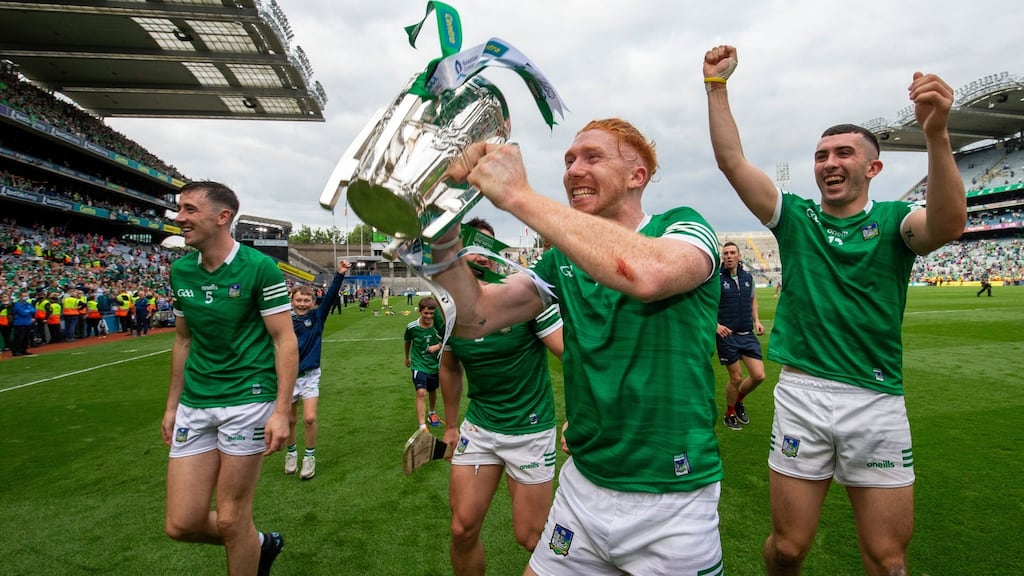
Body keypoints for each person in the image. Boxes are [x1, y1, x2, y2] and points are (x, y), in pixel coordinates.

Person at [704, 45, 966, 575]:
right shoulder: (796, 218)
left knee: (888, 560)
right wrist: (716, 86)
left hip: (877, 402)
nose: (829, 163)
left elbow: (947, 226)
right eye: (822, 155)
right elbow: (732, 162)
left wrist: (937, 135)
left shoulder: (896, 221)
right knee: (787, 549)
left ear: (873, 165)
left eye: (843, 153)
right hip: (805, 395)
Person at [434, 118, 724, 575]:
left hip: (672, 499)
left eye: (592, 157)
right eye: (569, 160)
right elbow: (477, 318)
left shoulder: (682, 226)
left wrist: (518, 197)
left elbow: (645, 274)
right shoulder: (561, 259)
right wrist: (441, 230)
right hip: (583, 485)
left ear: (637, 175)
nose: (573, 169)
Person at [161, 181, 298, 576]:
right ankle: (258, 545)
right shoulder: (181, 270)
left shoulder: (259, 267)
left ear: (223, 217)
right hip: (196, 403)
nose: (179, 218)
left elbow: (284, 340)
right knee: (181, 524)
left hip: (248, 400)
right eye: (179, 209)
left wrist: (281, 410)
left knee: (231, 518)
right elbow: (183, 341)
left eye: (189, 210)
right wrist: (172, 406)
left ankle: (246, 545)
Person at [439, 217, 564, 575]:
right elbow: (448, 368)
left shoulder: (522, 297)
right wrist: (450, 426)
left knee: (531, 536)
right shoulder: (448, 305)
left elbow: (572, 357)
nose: (480, 257)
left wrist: (585, 414)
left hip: (530, 430)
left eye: (487, 249)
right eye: (471, 249)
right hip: (480, 428)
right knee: (461, 529)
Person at [284, 258, 350, 480]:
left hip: (310, 375)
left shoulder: (317, 318)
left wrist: (339, 274)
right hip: (287, 376)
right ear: (291, 301)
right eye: (298, 300)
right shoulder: (284, 321)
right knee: (290, 420)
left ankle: (309, 457)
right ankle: (291, 452)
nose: (302, 304)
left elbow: (331, 296)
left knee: (309, 418)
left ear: (313, 302)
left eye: (306, 300)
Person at [716, 241, 766, 430]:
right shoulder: (717, 279)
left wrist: (757, 321)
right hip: (727, 336)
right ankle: (729, 413)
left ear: (739, 256)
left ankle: (738, 402)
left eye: (732, 253)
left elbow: (753, 300)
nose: (728, 256)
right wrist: (716, 325)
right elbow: (707, 304)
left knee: (759, 375)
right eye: (725, 253)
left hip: (747, 333)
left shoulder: (748, 277)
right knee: (736, 378)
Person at [404, 296, 444, 429]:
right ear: (419, 311)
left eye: (432, 314)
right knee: (421, 392)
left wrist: (437, 346)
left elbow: (449, 340)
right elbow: (407, 341)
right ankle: (422, 425)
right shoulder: (412, 327)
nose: (428, 316)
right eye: (426, 313)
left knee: (433, 390)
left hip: (435, 364)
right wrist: (407, 357)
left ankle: (432, 413)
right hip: (418, 363)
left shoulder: (440, 326)